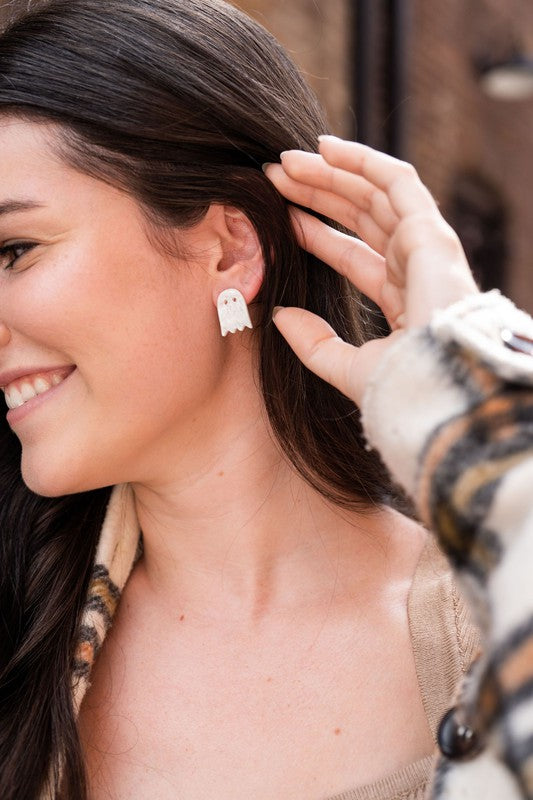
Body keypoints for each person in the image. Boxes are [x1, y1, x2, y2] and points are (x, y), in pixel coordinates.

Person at [0, 1, 530, 799]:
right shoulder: (21, 640)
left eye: (15, 251)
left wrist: (473, 398)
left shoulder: (487, 632)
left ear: (226, 249)